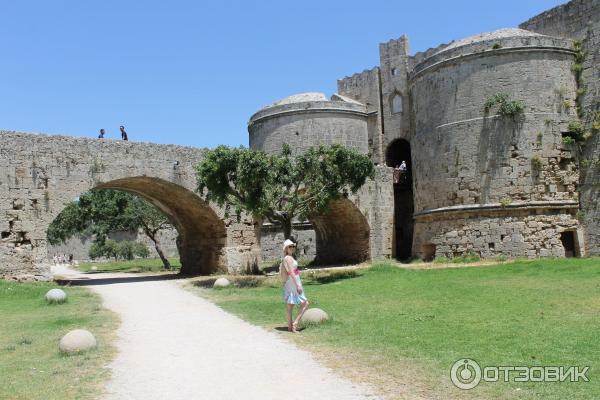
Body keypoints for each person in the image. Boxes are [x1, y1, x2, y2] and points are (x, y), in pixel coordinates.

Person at [279, 239, 309, 333]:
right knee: (305, 303)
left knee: (290, 305)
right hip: (293, 282)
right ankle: (295, 324)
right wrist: (297, 285)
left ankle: (290, 326)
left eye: (293, 246)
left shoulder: (289, 258)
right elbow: (291, 272)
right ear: (286, 248)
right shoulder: (288, 258)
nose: (292, 248)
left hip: (291, 281)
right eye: (290, 246)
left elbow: (293, 271)